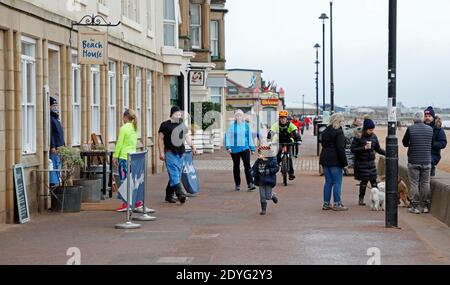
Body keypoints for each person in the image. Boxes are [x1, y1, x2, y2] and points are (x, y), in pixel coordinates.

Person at [159, 106, 197, 204]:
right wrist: (161, 152)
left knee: (176, 174)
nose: (178, 116)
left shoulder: (182, 125)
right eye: (177, 114)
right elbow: (160, 139)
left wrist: (193, 146)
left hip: (181, 153)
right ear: (171, 114)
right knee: (174, 174)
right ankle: (180, 195)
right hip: (169, 152)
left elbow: (187, 137)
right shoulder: (165, 125)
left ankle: (169, 195)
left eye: (180, 114)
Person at [402, 112, 433, 214]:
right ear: (423, 118)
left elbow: (405, 143)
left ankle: (414, 206)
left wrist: (412, 142)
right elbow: (431, 143)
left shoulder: (411, 129)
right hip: (427, 160)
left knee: (414, 183)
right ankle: (426, 206)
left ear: (414, 119)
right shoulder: (430, 129)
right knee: (425, 183)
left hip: (414, 160)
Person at [351, 117, 386, 206]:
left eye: (372, 129)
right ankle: (361, 198)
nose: (371, 131)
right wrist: (364, 148)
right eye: (370, 129)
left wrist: (387, 153)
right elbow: (353, 149)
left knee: (374, 182)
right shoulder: (358, 136)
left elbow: (378, 148)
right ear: (366, 129)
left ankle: (377, 200)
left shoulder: (374, 137)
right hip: (361, 163)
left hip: (371, 163)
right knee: (364, 182)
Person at [319, 113, 348, 211]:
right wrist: (345, 164)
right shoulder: (339, 132)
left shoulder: (325, 131)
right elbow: (340, 149)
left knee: (328, 182)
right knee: (337, 182)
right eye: (342, 121)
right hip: (335, 160)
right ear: (339, 121)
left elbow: (322, 143)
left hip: (325, 158)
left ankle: (326, 203)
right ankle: (337, 204)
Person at [114, 109, 140, 212]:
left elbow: (119, 143)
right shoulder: (134, 128)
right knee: (132, 180)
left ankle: (126, 203)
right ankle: (137, 202)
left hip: (124, 157)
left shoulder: (123, 128)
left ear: (125, 117)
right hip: (132, 157)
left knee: (124, 181)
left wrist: (115, 156)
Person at [225, 110, 256, 192]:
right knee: (236, 166)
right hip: (234, 149)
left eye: (240, 115)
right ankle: (237, 184)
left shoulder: (246, 126)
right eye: (237, 115)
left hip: (245, 148)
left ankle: (250, 184)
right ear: (235, 117)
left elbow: (249, 137)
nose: (239, 117)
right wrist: (228, 147)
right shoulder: (232, 126)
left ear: (243, 117)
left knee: (247, 166)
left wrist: (252, 148)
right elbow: (227, 137)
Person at [268, 111, 301, 180]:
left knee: (290, 157)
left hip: (288, 142)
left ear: (286, 119)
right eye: (281, 118)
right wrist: (269, 140)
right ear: (279, 119)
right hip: (279, 142)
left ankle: (291, 173)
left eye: (284, 118)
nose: (283, 120)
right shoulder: (276, 125)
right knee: (278, 154)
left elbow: (296, 132)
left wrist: (298, 139)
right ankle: (276, 168)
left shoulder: (290, 125)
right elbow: (271, 132)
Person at [251, 145, 280, 215]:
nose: (261, 155)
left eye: (262, 153)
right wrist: (252, 172)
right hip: (261, 181)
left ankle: (272, 196)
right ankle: (263, 209)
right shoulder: (258, 161)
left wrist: (269, 171)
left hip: (269, 180)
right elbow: (254, 168)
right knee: (262, 196)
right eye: (260, 153)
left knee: (267, 196)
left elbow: (276, 168)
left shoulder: (272, 160)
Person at [424, 107, 447, 177]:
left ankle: (431, 171)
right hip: (421, 153)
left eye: (429, 116)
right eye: (425, 116)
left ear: (433, 117)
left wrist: (432, 144)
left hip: (433, 155)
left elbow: (443, 143)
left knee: (428, 162)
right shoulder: (421, 127)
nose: (427, 118)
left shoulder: (438, 129)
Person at [50, 97, 65, 187]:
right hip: (55, 149)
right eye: (53, 105)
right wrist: (53, 146)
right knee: (54, 168)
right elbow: (51, 133)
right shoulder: (50, 118)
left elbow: (60, 133)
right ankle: (54, 186)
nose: (55, 107)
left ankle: (57, 184)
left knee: (58, 167)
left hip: (60, 147)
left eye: (56, 105)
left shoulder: (56, 117)